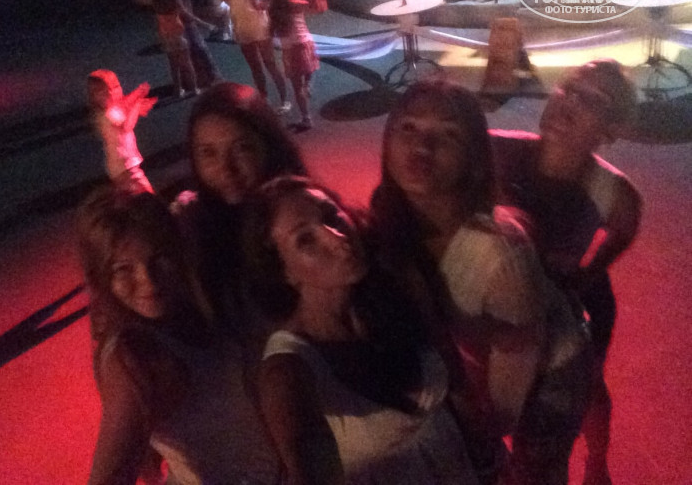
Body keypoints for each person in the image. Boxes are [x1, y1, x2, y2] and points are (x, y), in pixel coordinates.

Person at [369, 77, 591, 485]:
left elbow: (511, 382)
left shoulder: (498, 252)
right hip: (479, 350)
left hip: (549, 370)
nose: (421, 147)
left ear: (473, 158)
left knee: (536, 469)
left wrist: (482, 431)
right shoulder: (388, 211)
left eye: (448, 135)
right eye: (408, 127)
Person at [243, 175, 479, 485]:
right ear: (283, 271)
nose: (337, 238)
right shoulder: (289, 370)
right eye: (305, 239)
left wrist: (486, 452)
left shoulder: (394, 288)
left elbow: (455, 377)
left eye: (331, 216)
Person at [491, 59, 642, 485]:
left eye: (593, 100)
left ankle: (597, 461)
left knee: (589, 386)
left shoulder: (613, 190)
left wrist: (591, 271)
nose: (570, 102)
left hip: (571, 296)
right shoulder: (497, 150)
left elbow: (625, 230)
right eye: (569, 88)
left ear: (611, 129)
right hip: (505, 295)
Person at [79, 186, 281, 485]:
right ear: (100, 277)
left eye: (158, 258)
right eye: (124, 269)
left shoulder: (195, 306)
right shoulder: (133, 360)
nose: (148, 282)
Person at [171, 81, 306, 344]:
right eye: (208, 153)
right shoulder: (191, 229)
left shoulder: (305, 216)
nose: (226, 169)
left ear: (269, 145)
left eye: (242, 148)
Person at [217, 0, 290, 112]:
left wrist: (267, 1)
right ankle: (263, 100)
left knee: (270, 63)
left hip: (258, 22)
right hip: (240, 23)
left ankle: (284, 100)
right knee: (255, 66)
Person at [149, 0, 222, 94]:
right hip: (170, 12)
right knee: (180, 49)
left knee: (196, 43)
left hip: (181, 8)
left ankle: (213, 76)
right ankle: (191, 80)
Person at [269, 0, 327, 132]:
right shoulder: (296, 3)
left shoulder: (274, 8)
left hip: (291, 47)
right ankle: (308, 84)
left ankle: (306, 118)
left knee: (297, 86)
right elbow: (320, 10)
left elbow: (271, 30)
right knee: (309, 68)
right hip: (305, 42)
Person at [87, 70, 157, 194]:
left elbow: (125, 102)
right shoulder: (108, 113)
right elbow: (126, 126)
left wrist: (138, 93)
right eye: (106, 90)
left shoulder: (109, 110)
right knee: (146, 193)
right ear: (95, 96)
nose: (114, 91)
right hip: (125, 168)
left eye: (116, 86)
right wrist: (137, 105)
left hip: (121, 168)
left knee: (129, 196)